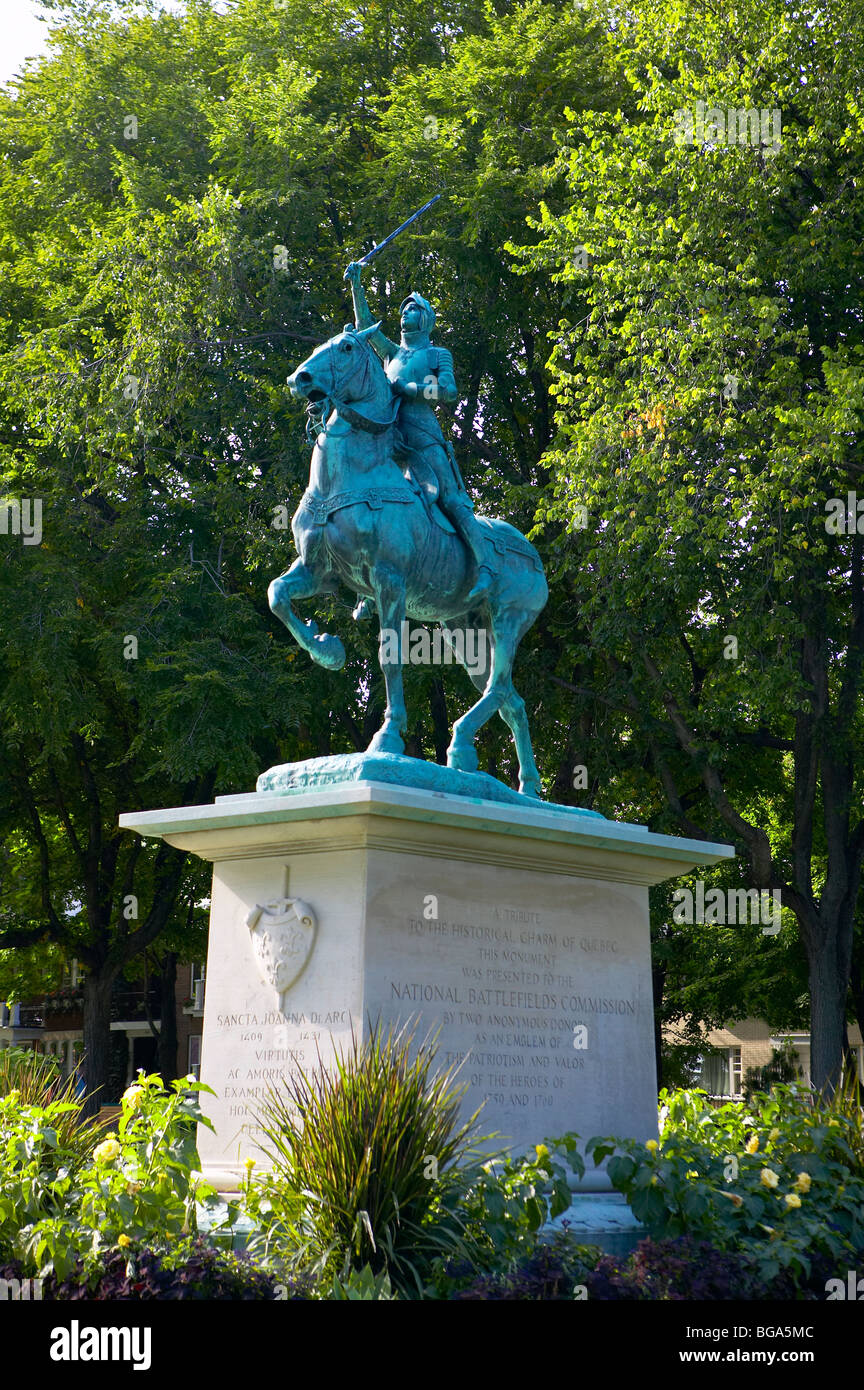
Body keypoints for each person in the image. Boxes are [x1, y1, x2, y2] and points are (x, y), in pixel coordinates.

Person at [344, 260, 496, 605]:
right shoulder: (393, 352)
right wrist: (356, 284)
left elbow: (449, 392)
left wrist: (409, 388)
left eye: (411, 311)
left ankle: (485, 567)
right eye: (403, 312)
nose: (404, 316)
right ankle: (368, 585)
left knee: (452, 501)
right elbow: (365, 326)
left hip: (423, 437)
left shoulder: (436, 354)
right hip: (390, 441)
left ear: (425, 319)